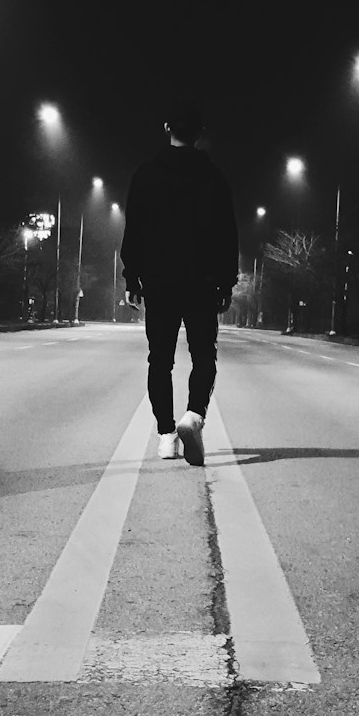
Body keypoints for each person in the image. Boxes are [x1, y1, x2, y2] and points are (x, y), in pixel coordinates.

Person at [119, 101, 238, 466]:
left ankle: (167, 436)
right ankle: (194, 415)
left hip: (159, 281)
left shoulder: (146, 175)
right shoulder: (215, 177)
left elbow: (134, 229)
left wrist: (132, 276)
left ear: (167, 127)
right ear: (200, 133)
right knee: (204, 355)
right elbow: (226, 234)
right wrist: (226, 281)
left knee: (161, 360)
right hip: (202, 282)